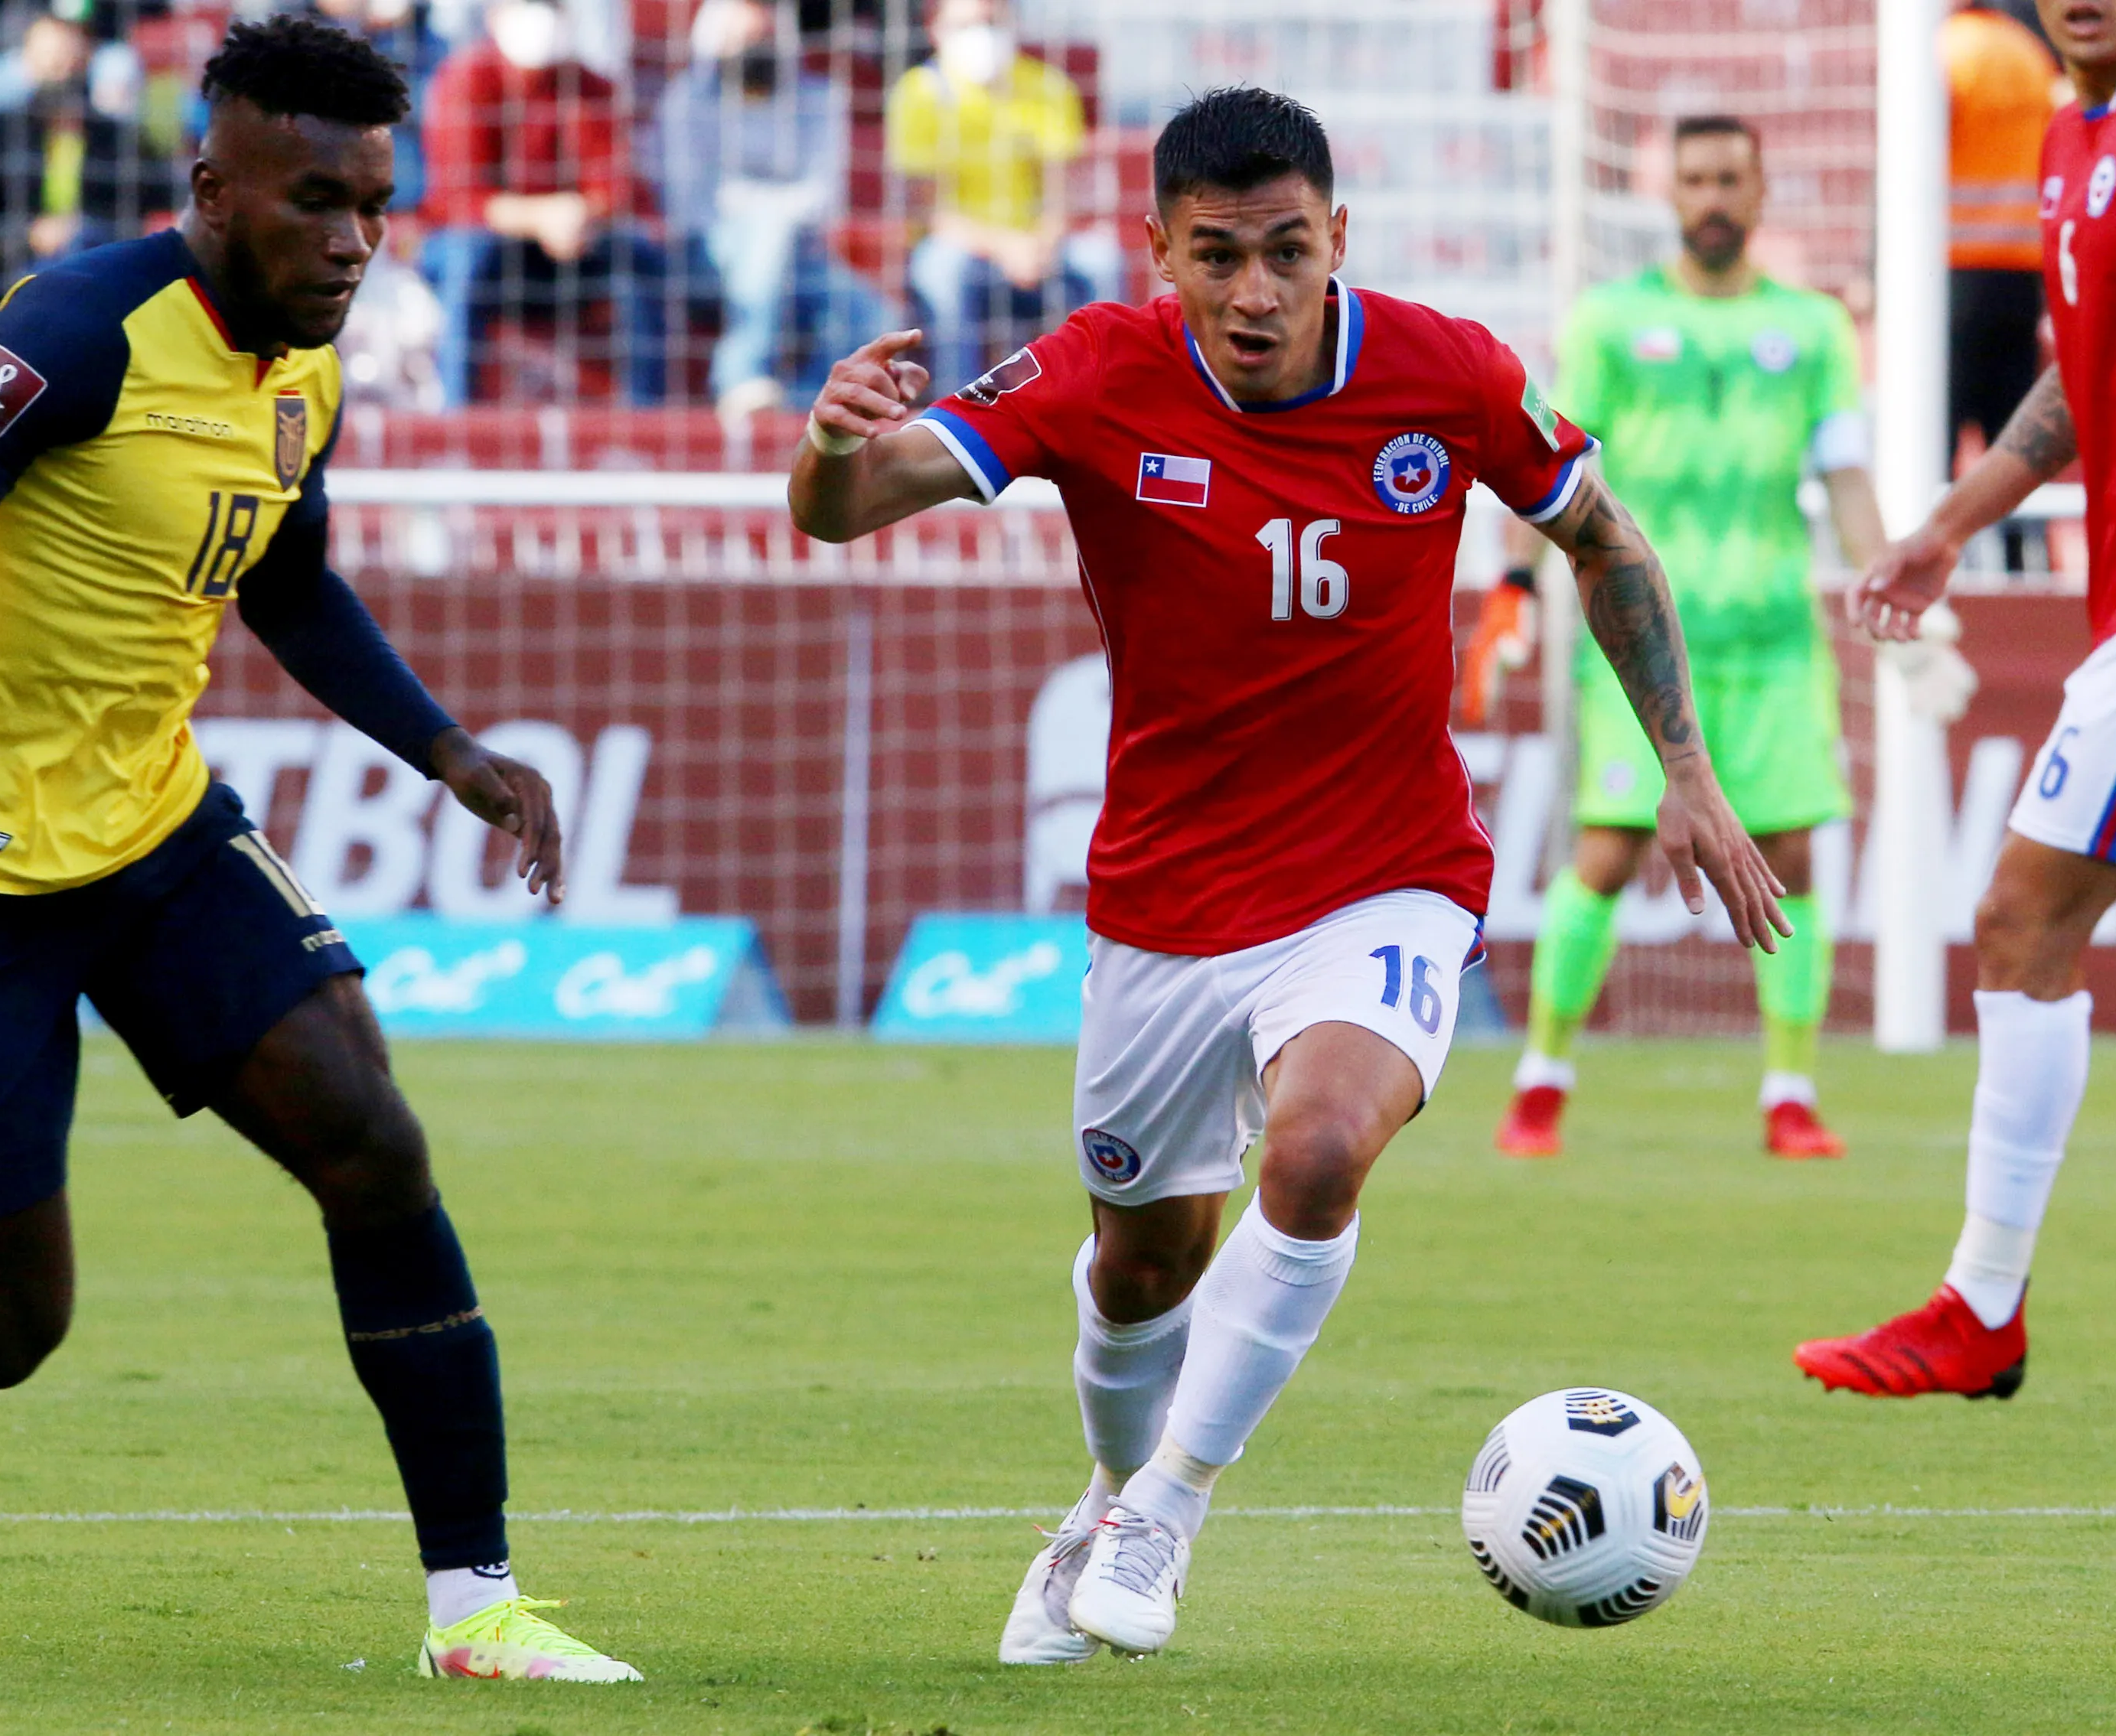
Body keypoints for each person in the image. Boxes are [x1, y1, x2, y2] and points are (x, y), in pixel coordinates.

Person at [0, 17, 640, 1684]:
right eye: (315, 202)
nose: (350, 242)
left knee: (372, 1141)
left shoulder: (307, 359)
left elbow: (286, 579)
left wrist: (449, 751)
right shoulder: (76, 332)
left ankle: (472, 1606)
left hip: (156, 831)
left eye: (376, 206)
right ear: (214, 188)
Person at [789, 86, 1787, 1661]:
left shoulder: (1447, 371)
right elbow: (849, 510)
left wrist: (1684, 767)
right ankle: (1106, 1501)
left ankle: (1165, 1510)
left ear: (1338, 240)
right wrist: (825, 447)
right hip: (1167, 906)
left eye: (1287, 251)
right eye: (1217, 257)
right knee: (1139, 1271)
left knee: (1320, 1151)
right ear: (1158, 253)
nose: (1254, 291)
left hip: (1386, 876)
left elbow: (1605, 539)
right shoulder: (1094, 369)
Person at [1795, 0, 2116, 1404]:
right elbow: (2078, 379)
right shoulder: (2069, 132)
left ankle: (1979, 1306)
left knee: (2017, 918)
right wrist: (1948, 522)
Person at [1474, 116, 1886, 1162]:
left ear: (1757, 192)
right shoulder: (1610, 321)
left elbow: (1843, 478)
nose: (1710, 197)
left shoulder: (1813, 328)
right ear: (1668, 193)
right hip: (1638, 644)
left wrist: (1893, 604)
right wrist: (1513, 587)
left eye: (1727, 180)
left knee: (1789, 856)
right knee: (1606, 853)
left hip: (1772, 641)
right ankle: (1540, 1082)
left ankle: (1788, 1092)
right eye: (1693, 178)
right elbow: (1549, 468)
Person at [419, 0, 669, 405]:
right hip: (483, 249)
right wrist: (539, 217)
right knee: (468, 256)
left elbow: (619, 185)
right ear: (495, 16)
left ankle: (646, 413)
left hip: (570, 250)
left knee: (637, 253)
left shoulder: (588, 85)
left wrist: (579, 214)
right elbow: (456, 200)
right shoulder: (464, 79)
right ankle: (458, 414)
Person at [657, 0, 894, 424]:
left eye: (763, 38)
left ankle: (800, 402)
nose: (753, 49)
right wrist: (772, 210)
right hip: (707, 258)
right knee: (770, 230)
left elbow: (824, 198)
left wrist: (754, 204)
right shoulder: (684, 101)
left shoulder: (820, 98)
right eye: (740, 40)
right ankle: (739, 377)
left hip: (800, 260)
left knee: (878, 317)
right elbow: (692, 206)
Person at [885, 0, 1120, 394]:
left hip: (1038, 249)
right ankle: (955, 405)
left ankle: (1105, 391)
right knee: (941, 269)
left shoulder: (1047, 86)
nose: (981, 35)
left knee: (1102, 259)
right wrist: (1004, 247)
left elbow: (1061, 193)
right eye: (965, 25)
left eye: (991, 22)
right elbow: (930, 211)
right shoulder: (918, 94)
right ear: (934, 29)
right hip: (963, 250)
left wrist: (1039, 244)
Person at [0, 8, 184, 319]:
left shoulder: (118, 138)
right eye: (49, 60)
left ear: (87, 60)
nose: (60, 71)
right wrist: (26, 235)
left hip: (102, 277)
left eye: (68, 58)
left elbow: (161, 197)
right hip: (14, 278)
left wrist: (86, 226)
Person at [1945, 1, 2058, 494]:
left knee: (1935, 437)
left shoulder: (1945, 52)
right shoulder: (2030, 54)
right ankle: (2024, 560)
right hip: (2019, 271)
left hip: (1953, 273)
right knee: (2015, 444)